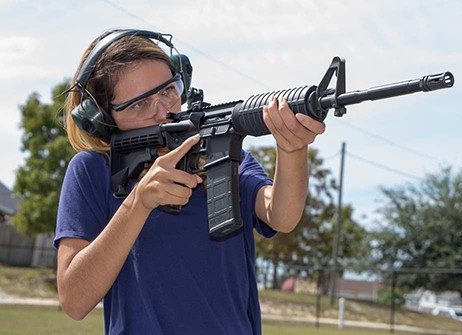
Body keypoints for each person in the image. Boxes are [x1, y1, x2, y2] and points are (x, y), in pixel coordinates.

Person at [55, 29, 325, 335]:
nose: (163, 112)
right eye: (138, 105)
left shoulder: (221, 154)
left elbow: (282, 215)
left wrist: (292, 149)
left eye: (168, 90)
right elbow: (74, 301)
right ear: (100, 117)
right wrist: (139, 202)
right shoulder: (93, 171)